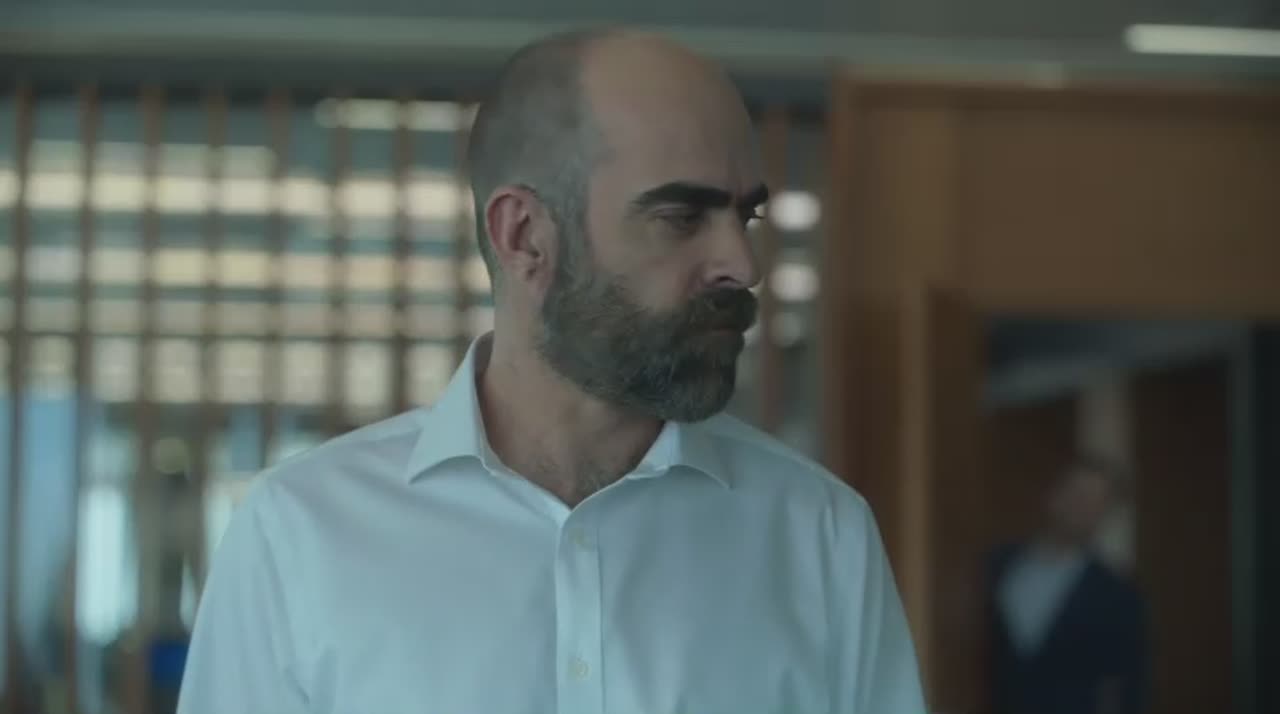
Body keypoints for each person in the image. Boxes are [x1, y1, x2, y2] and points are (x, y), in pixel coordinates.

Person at [177, 29, 925, 714]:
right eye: (682, 218)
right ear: (525, 236)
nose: (741, 262)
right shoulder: (298, 535)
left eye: (746, 216)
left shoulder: (818, 535)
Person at [987, 457, 1147, 714]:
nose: (1081, 507)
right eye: (1077, 493)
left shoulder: (1116, 595)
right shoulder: (997, 566)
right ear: (1054, 494)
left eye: (1095, 502)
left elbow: (1127, 687)